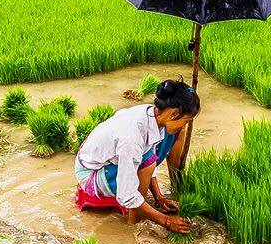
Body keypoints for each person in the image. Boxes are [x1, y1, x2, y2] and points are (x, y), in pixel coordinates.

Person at [74, 79, 200, 234]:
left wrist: (158, 197)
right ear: (174, 113)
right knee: (147, 163)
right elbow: (126, 194)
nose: (184, 126)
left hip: (110, 163)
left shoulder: (153, 116)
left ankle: (140, 212)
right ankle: (133, 225)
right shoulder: (132, 135)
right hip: (91, 175)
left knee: (149, 160)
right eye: (185, 121)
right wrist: (166, 221)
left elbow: (150, 155)